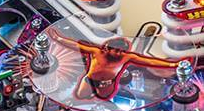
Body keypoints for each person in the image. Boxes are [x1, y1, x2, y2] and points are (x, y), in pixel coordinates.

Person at [49, 29, 179, 100]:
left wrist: (172, 65)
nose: (119, 53)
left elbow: (150, 61)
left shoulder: (126, 57)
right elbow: (76, 45)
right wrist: (58, 38)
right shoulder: (97, 52)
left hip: (108, 83)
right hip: (90, 80)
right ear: (108, 48)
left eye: (122, 51)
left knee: (104, 100)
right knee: (81, 97)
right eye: (117, 50)